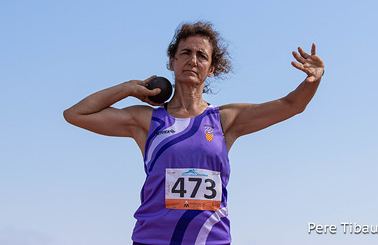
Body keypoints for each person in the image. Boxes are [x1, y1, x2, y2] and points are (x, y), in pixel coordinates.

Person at [64, 21, 325, 245]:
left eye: (202, 55)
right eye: (185, 53)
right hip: (152, 240)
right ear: (172, 61)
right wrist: (130, 87)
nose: (193, 60)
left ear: (211, 68)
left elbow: (293, 105)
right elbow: (76, 114)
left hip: (211, 240)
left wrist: (313, 79)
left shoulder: (225, 119)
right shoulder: (146, 120)